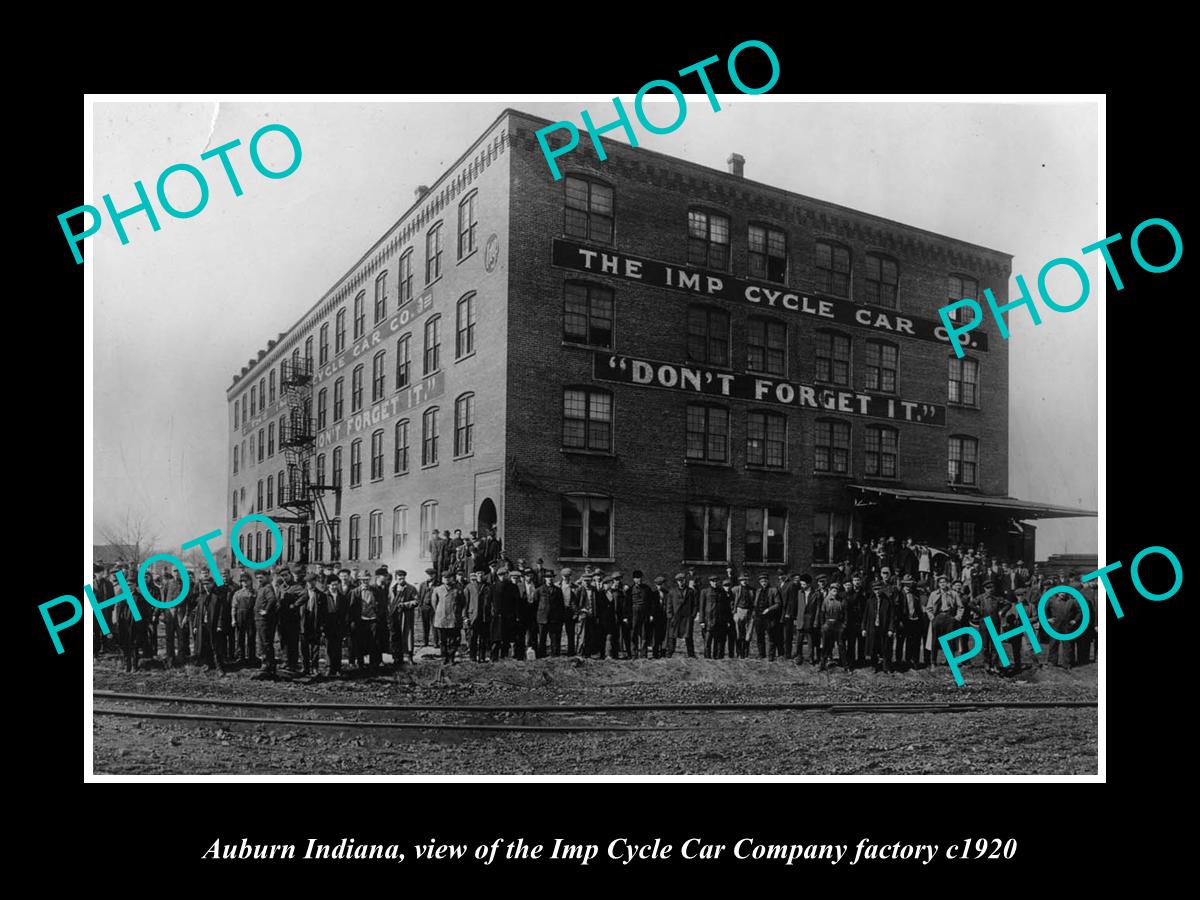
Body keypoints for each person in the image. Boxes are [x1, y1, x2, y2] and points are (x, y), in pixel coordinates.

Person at [195, 571, 229, 674]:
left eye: (208, 584)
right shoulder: (202, 597)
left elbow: (221, 613)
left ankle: (219, 667)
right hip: (203, 625)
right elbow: (198, 613)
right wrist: (196, 625)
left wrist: (219, 624)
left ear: (213, 584)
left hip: (214, 625)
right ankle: (208, 664)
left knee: (215, 646)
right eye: (204, 584)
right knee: (205, 645)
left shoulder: (217, 597)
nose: (206, 586)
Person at [925, 575, 963, 667]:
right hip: (937, 617)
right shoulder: (933, 594)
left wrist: (957, 617)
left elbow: (960, 607)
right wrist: (932, 618)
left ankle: (949, 661)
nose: (943, 584)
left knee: (949, 640)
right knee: (934, 640)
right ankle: (933, 661)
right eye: (941, 582)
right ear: (938, 584)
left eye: (945, 582)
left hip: (949, 618)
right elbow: (928, 608)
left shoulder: (953, 593)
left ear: (947, 583)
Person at [863, 579, 896, 673]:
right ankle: (874, 666)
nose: (877, 591)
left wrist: (891, 629)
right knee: (873, 647)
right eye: (875, 589)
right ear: (873, 590)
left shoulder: (887, 601)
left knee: (885, 648)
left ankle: (886, 667)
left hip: (884, 628)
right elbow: (865, 616)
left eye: (879, 589)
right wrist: (864, 628)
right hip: (872, 628)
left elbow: (892, 616)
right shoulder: (870, 601)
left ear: (882, 589)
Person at [432, 574, 462, 663]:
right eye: (445, 578)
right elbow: (434, 604)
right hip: (441, 618)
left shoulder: (457, 589)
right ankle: (444, 657)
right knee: (442, 640)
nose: (447, 580)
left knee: (453, 640)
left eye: (449, 578)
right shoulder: (437, 590)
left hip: (453, 618)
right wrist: (440, 613)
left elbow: (462, 603)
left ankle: (451, 657)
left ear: (452, 578)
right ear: (442, 579)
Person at [535, 572, 566, 657]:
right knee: (542, 638)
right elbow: (535, 604)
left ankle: (555, 654)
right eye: (548, 577)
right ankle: (541, 654)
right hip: (542, 617)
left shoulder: (558, 590)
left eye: (551, 577)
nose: (550, 579)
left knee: (554, 637)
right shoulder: (539, 590)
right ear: (545, 578)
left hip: (554, 618)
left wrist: (561, 618)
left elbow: (561, 605)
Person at [253, 570, 278, 676]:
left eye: (261, 577)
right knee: (262, 642)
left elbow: (272, 600)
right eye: (258, 577)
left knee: (266, 642)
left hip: (264, 620)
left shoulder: (267, 587)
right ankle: (268, 664)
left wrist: (266, 611)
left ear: (267, 577)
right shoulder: (261, 588)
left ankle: (267, 664)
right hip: (259, 619)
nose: (259, 579)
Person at [299, 573, 325, 676]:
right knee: (303, 647)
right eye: (308, 582)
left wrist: (322, 625)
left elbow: (324, 612)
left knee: (315, 648)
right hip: (304, 622)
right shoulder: (301, 593)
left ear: (316, 582)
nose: (310, 584)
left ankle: (315, 668)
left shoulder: (321, 595)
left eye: (312, 581)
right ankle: (305, 667)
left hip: (315, 623)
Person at [819, 582, 848, 670]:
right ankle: (822, 665)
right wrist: (823, 625)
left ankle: (845, 665)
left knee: (841, 645)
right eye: (833, 589)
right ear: (830, 590)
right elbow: (822, 614)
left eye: (836, 590)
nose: (835, 591)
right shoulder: (826, 600)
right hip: (828, 624)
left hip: (838, 625)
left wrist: (844, 625)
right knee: (826, 646)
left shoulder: (842, 600)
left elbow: (846, 614)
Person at [666, 572, 696, 658]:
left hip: (687, 617)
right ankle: (669, 654)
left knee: (688, 636)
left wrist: (692, 616)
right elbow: (669, 605)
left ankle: (691, 654)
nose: (680, 582)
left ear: (685, 581)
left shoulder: (691, 591)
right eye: (679, 581)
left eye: (682, 580)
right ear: (676, 582)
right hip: (675, 617)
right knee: (672, 636)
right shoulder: (672, 591)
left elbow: (695, 605)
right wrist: (670, 616)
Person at [754, 573, 782, 660]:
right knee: (759, 636)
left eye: (765, 581)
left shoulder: (773, 590)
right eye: (762, 581)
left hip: (769, 617)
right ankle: (761, 654)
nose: (764, 583)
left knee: (771, 637)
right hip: (759, 617)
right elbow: (755, 603)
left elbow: (778, 604)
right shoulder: (758, 591)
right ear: (759, 582)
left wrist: (768, 609)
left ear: (768, 581)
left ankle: (771, 655)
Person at [699, 575, 727, 659]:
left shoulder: (722, 592)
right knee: (707, 641)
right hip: (708, 620)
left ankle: (717, 657)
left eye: (716, 581)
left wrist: (725, 620)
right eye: (713, 581)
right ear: (710, 582)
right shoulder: (705, 592)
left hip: (719, 620)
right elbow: (701, 607)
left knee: (718, 640)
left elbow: (725, 607)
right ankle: (707, 657)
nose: (715, 583)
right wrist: (701, 621)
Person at [231, 572, 257, 665]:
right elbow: (234, 607)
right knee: (240, 637)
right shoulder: (237, 593)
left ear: (250, 581)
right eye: (242, 581)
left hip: (251, 617)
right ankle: (240, 657)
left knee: (251, 637)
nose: (245, 583)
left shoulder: (255, 593)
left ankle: (252, 657)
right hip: (240, 616)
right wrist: (233, 619)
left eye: (246, 581)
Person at [464, 570, 490, 663]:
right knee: (473, 638)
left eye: (482, 574)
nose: (480, 576)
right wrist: (465, 617)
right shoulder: (469, 587)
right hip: (473, 616)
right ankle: (473, 657)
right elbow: (465, 603)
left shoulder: (487, 586)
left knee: (483, 638)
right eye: (478, 574)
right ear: (475, 575)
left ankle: (482, 657)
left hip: (484, 616)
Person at [843, 574, 867, 669]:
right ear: (852, 582)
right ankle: (851, 662)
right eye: (855, 580)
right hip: (852, 621)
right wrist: (857, 593)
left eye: (858, 580)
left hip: (862, 620)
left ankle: (861, 660)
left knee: (862, 642)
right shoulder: (850, 592)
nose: (857, 582)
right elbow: (850, 601)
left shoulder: (865, 591)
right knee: (851, 643)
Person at [731, 573, 754, 659]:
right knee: (738, 633)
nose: (744, 582)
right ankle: (739, 652)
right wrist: (733, 609)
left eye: (746, 580)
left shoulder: (752, 590)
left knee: (748, 633)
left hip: (749, 612)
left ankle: (746, 652)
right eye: (742, 580)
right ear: (740, 581)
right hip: (739, 611)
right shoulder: (735, 589)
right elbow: (730, 599)